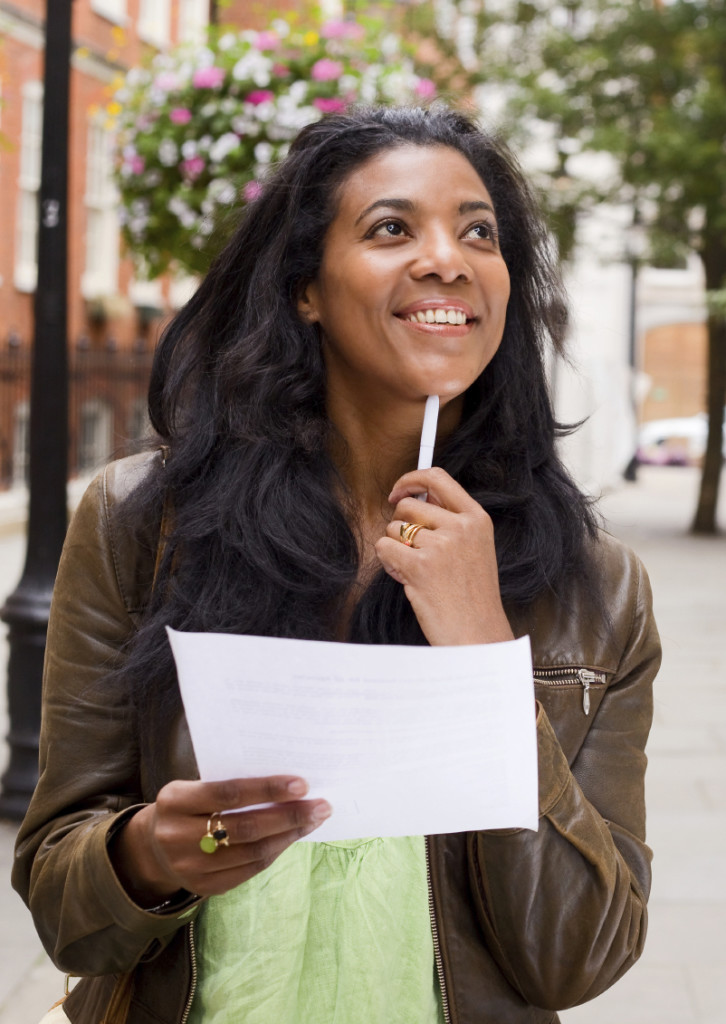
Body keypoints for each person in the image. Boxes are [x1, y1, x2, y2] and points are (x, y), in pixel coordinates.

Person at [13, 106, 660, 1024]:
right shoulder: (142, 523)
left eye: (479, 232)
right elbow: (61, 905)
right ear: (305, 287)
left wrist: (481, 650)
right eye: (392, 228)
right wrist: (150, 856)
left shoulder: (605, 591)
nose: (448, 258)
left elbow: (578, 957)